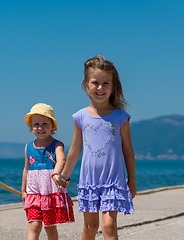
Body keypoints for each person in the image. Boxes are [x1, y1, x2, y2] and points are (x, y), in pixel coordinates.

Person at [54, 55, 136, 240]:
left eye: (106, 83)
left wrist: (132, 181)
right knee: (90, 228)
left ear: (113, 86)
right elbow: (75, 150)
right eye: (95, 82)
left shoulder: (120, 118)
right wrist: (64, 175)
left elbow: (128, 152)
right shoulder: (80, 117)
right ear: (86, 85)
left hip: (113, 181)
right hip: (89, 181)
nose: (100, 87)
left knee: (109, 227)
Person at [22, 103, 75, 240]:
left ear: (52, 126)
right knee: (34, 225)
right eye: (36, 124)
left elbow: (61, 160)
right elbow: (26, 169)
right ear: (31, 127)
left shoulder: (57, 145)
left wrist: (55, 174)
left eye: (45, 123)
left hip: (49, 192)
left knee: (50, 226)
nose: (40, 127)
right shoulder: (28, 147)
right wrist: (23, 191)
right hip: (34, 192)